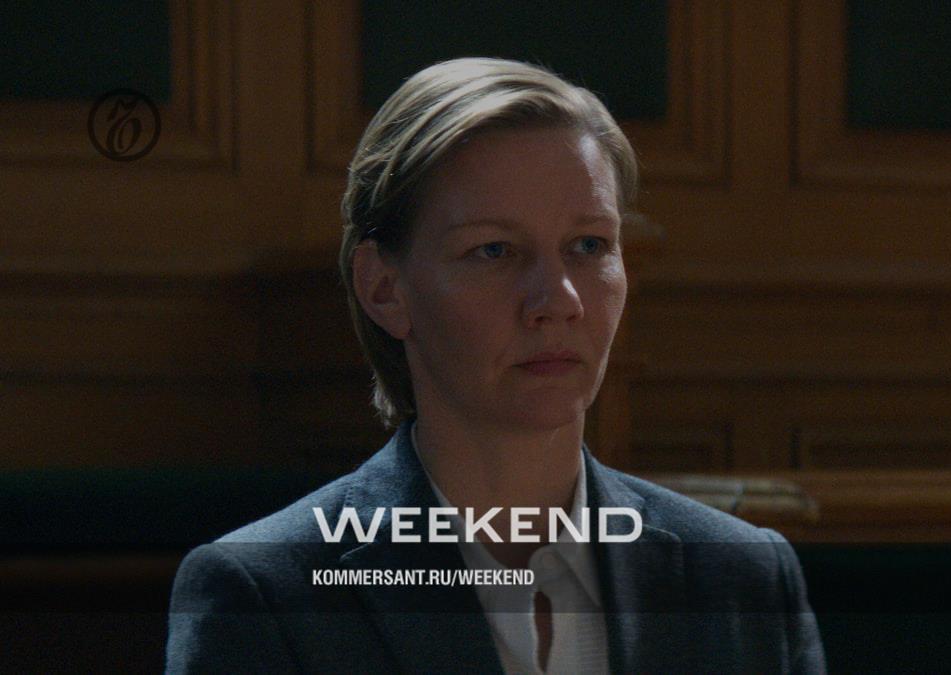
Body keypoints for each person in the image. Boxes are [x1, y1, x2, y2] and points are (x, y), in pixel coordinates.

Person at [166, 57, 825, 674]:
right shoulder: (266, 593)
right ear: (384, 288)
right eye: (494, 251)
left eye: (589, 245)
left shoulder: (742, 577)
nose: (558, 301)